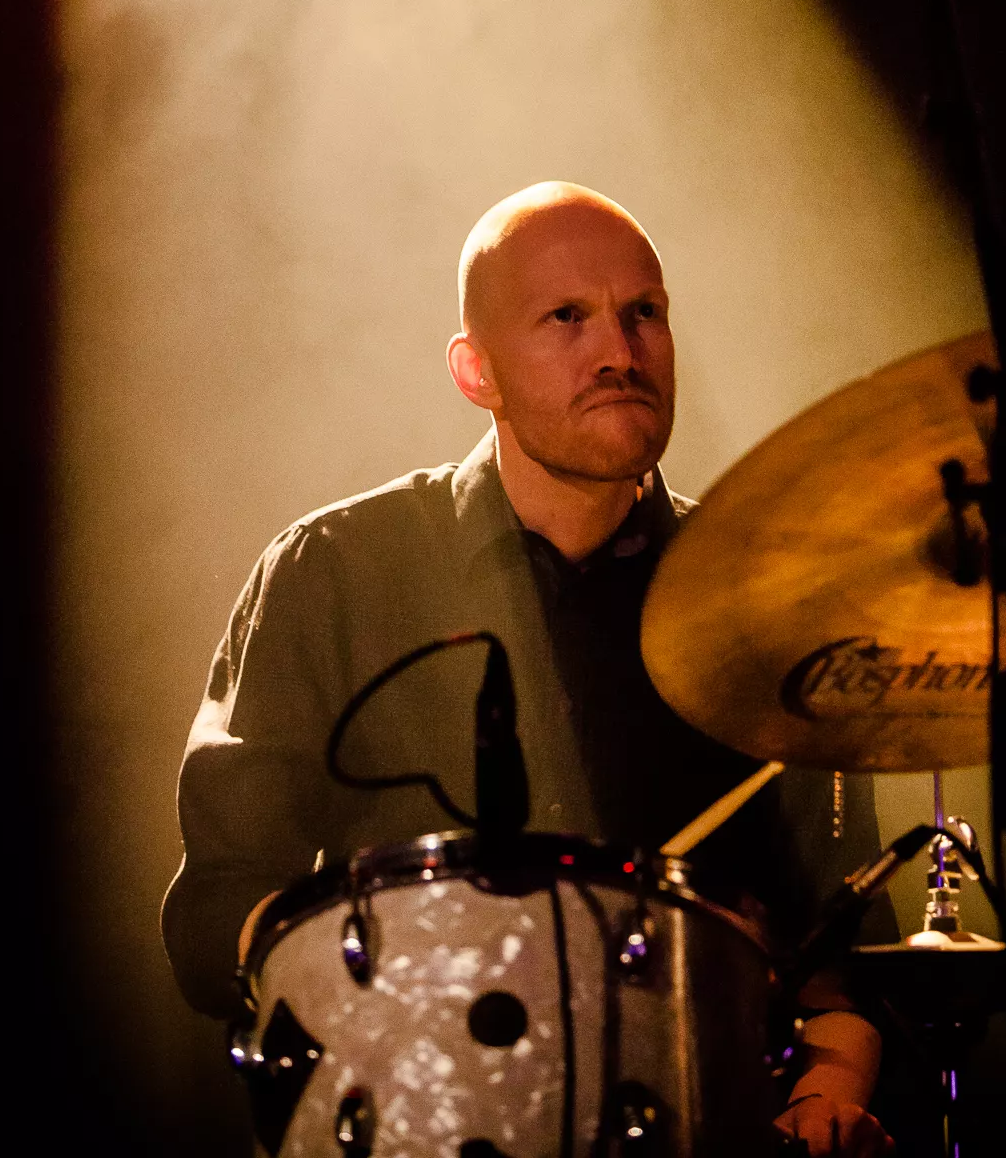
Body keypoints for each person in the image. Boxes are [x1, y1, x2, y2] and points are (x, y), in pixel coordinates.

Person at [164, 182, 893, 1156]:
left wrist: (827, 1095)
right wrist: (394, 1006)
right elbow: (215, 908)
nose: (620, 352)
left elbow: (845, 952)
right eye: (566, 317)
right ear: (477, 372)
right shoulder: (333, 570)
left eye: (645, 312)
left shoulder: (763, 604)